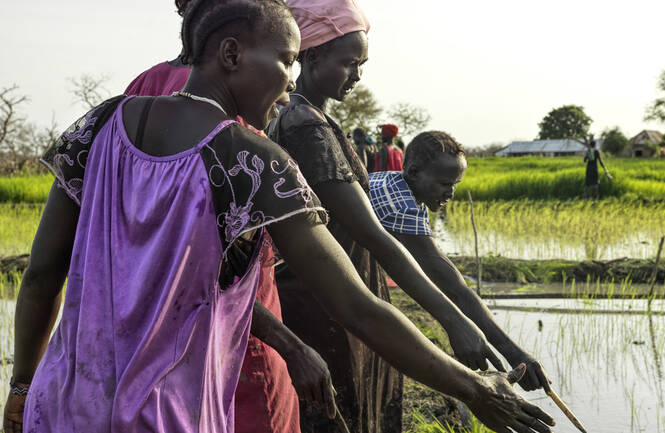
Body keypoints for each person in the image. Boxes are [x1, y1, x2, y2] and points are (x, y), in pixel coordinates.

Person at [3, 1, 554, 433]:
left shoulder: (100, 125)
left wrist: (22, 391)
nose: (292, 79)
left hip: (65, 405)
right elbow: (358, 307)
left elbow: (42, 277)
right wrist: (476, 390)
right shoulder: (250, 159)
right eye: (287, 58)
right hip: (171, 417)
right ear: (232, 54)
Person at [270, 1, 551, 431]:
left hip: (340, 303)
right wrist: (454, 322)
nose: (358, 75)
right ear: (310, 55)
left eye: (362, 63)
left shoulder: (309, 120)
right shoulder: (307, 128)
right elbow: (377, 238)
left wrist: (500, 343)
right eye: (349, 63)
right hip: (328, 309)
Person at [123, 3, 311, 432]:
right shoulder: (240, 102)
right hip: (236, 323)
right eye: (288, 61)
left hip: (149, 333)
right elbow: (197, 257)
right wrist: (290, 344)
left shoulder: (135, 98)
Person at [368, 130, 552, 390]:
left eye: (455, 184)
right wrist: (515, 354)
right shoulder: (400, 204)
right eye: (444, 184)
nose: (451, 192)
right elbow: (452, 285)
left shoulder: (393, 183)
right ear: (413, 172)